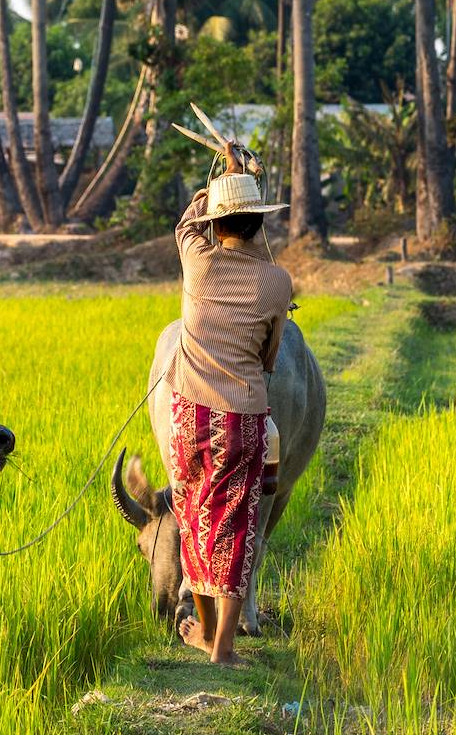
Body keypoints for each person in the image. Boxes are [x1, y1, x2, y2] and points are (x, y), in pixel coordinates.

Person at [166, 160, 291, 666]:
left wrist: (218, 182)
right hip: (240, 419)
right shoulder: (278, 282)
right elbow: (269, 357)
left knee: (194, 519)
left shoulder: (197, 260)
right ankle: (223, 649)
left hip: (188, 416)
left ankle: (207, 632)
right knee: (236, 525)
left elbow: (185, 224)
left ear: (217, 224)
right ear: (260, 222)